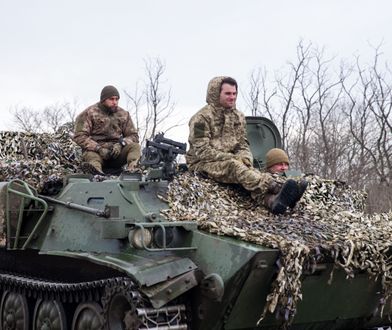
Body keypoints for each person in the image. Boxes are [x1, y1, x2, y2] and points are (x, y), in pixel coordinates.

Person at [186, 76, 306, 215]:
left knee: (248, 172)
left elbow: (242, 144)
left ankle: (273, 201)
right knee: (235, 167)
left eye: (234, 93)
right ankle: (275, 187)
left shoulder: (238, 117)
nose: (232, 97)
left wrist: (245, 158)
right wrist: (233, 158)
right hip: (201, 164)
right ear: (216, 94)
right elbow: (202, 151)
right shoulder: (200, 119)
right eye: (228, 93)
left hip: (231, 161)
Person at [73, 85, 141, 175]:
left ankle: (132, 170)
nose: (115, 102)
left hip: (116, 154)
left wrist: (121, 144)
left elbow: (134, 136)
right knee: (91, 156)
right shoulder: (89, 113)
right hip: (96, 153)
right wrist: (98, 148)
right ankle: (97, 173)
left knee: (135, 147)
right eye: (111, 99)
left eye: (117, 99)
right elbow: (79, 136)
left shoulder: (124, 114)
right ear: (103, 100)